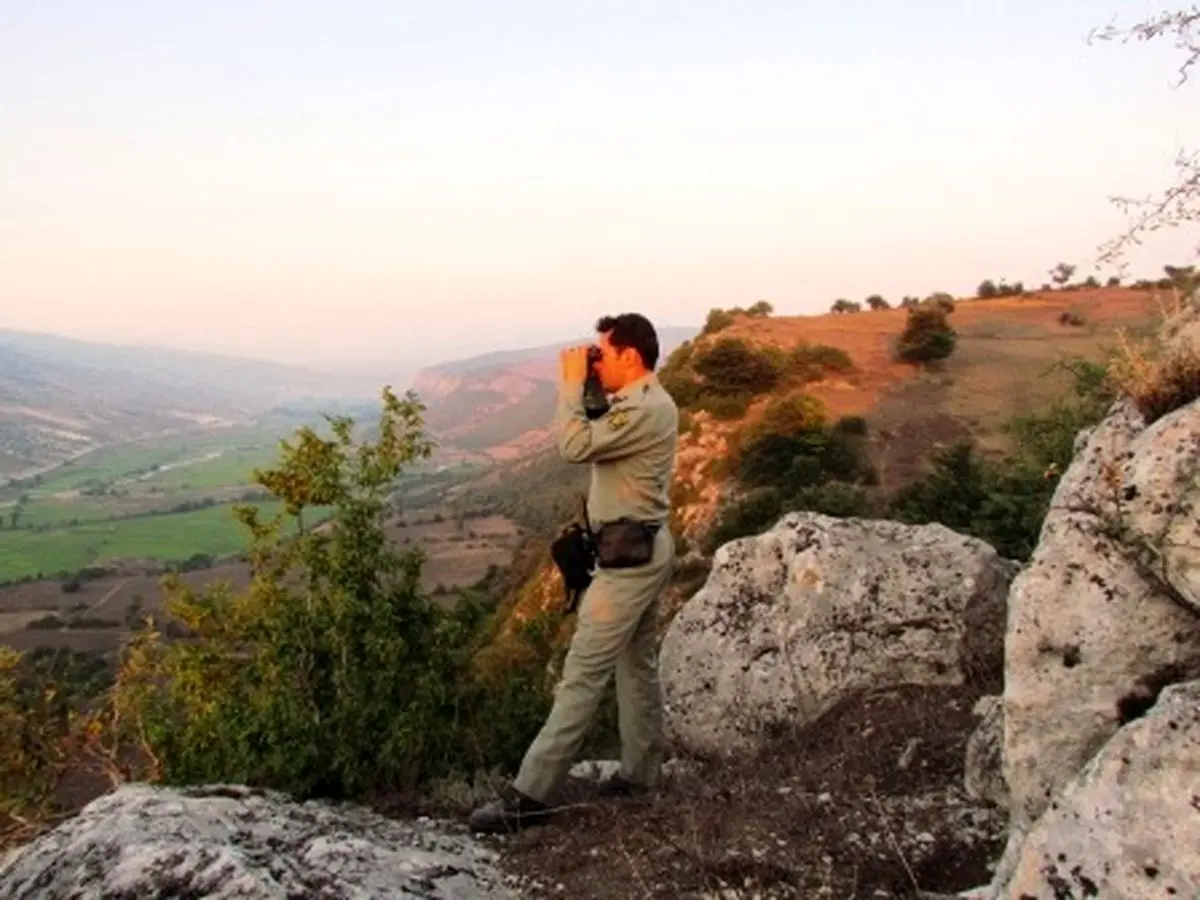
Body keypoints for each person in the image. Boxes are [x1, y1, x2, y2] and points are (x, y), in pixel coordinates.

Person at [468, 313, 679, 834]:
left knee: (582, 672)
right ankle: (641, 774)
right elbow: (593, 422)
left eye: (602, 354)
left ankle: (530, 794)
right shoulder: (634, 404)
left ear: (630, 356)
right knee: (637, 664)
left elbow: (573, 445)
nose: (595, 360)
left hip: (630, 558)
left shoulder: (649, 408)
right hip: (634, 548)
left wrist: (565, 385)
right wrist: (585, 380)